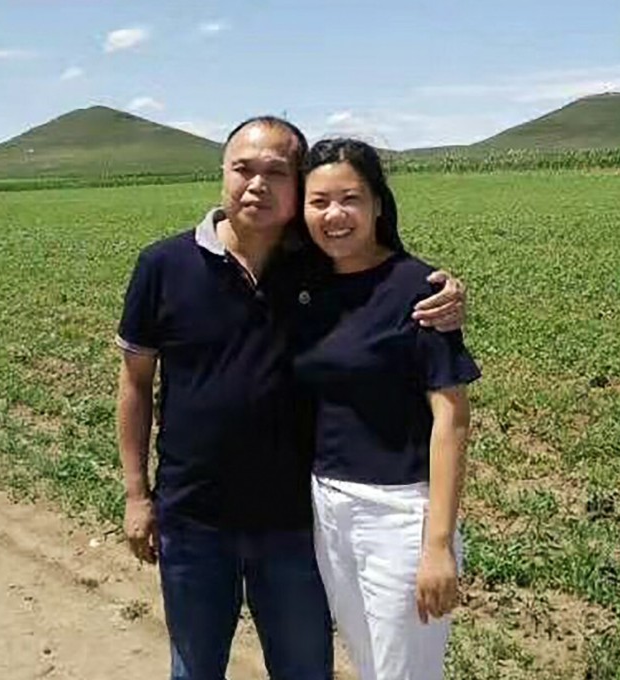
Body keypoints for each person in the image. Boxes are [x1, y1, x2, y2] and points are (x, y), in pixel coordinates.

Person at [114, 117, 466, 680]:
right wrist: (137, 494)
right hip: (194, 516)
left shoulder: (316, 269)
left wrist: (445, 291)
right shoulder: (164, 265)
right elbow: (135, 383)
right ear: (221, 175)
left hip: (295, 522)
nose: (257, 184)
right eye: (243, 169)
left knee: (305, 669)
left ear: (295, 186)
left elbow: (384, 280)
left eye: (276, 173)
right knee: (194, 666)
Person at [292, 138, 480, 680]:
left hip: (400, 516)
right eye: (319, 201)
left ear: (378, 203)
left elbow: (451, 417)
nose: (335, 215)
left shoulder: (417, 291)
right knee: (370, 663)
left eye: (350, 198)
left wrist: (438, 544)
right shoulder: (305, 287)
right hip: (326, 506)